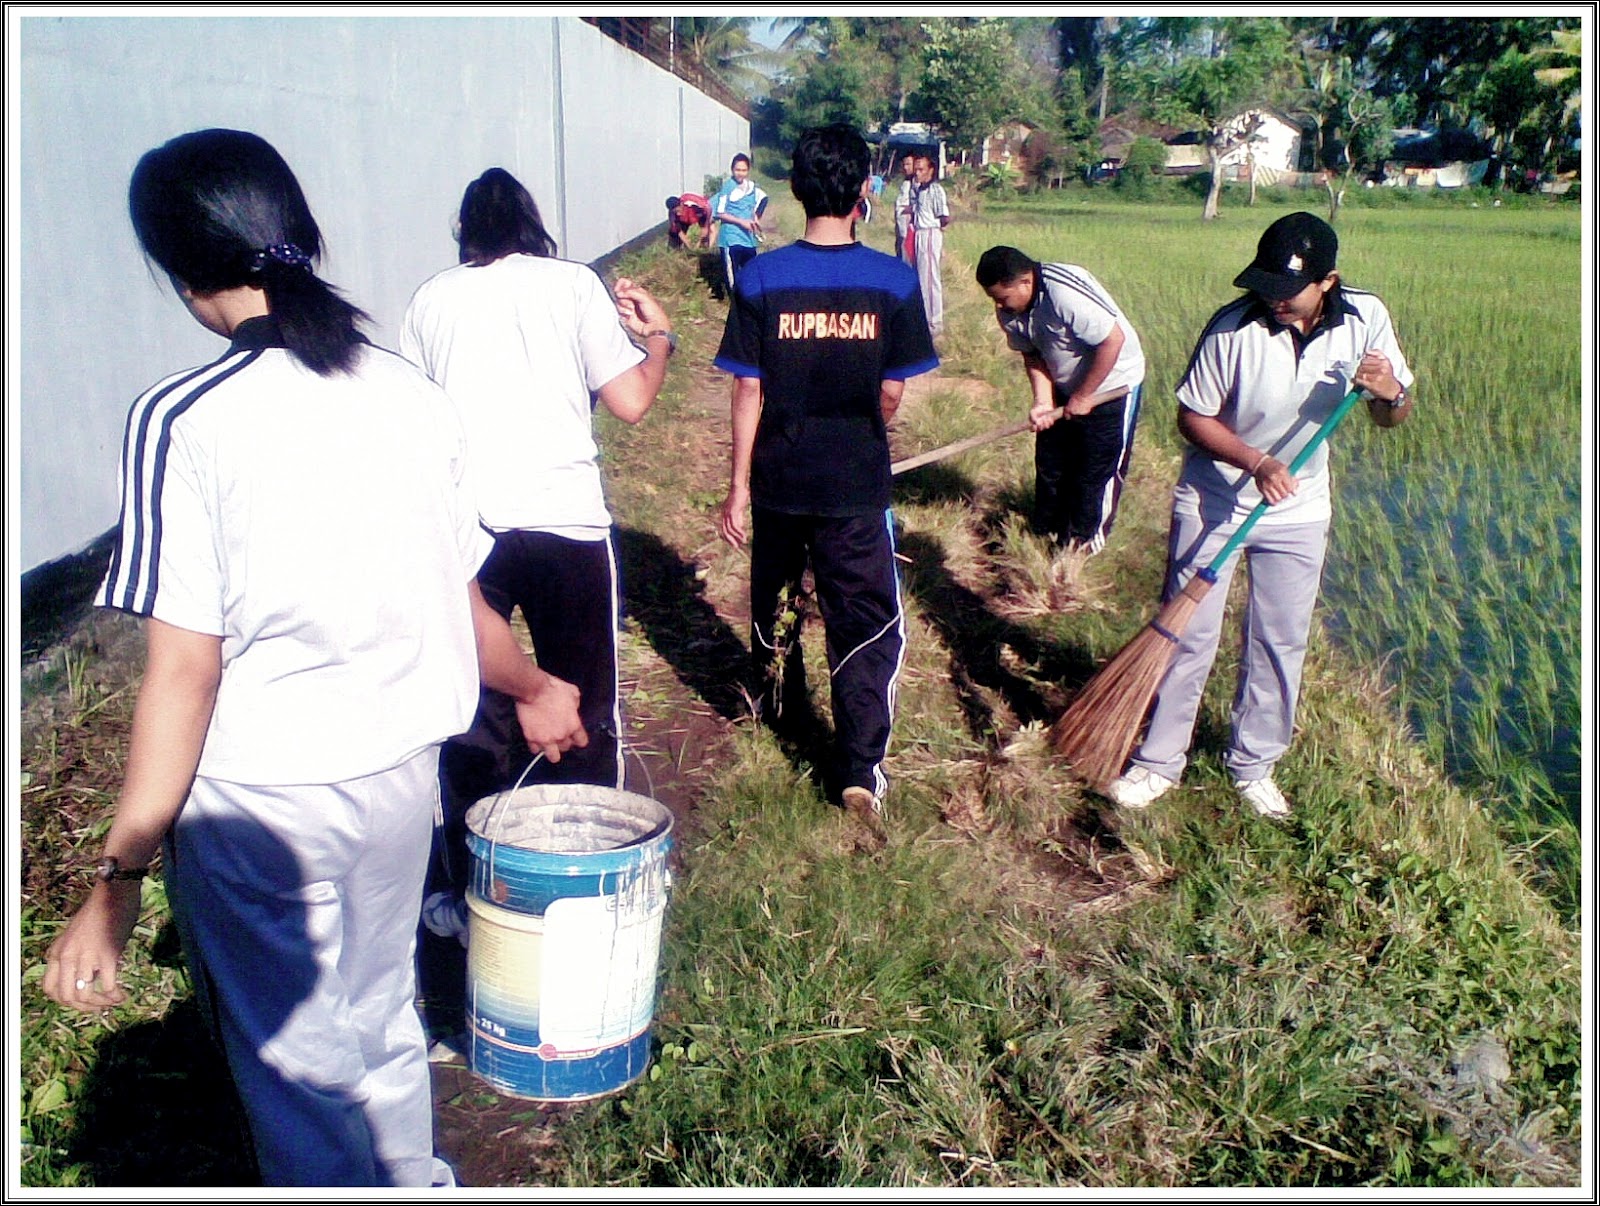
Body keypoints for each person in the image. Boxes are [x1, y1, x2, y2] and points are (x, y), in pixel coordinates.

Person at [41, 129, 586, 1188]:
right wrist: (530, 685)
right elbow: (459, 596)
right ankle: (409, 1175)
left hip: (262, 805)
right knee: (380, 1012)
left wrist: (116, 880)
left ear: (178, 271)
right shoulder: (407, 393)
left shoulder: (184, 419)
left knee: (295, 1062)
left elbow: (184, 672)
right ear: (299, 233)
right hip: (399, 783)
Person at [400, 167, 674, 910]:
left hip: (472, 531)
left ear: (464, 233)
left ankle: (469, 888)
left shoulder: (431, 299)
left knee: (471, 710)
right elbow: (631, 404)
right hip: (567, 524)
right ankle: (590, 880)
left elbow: (419, 424)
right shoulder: (573, 285)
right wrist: (660, 340)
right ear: (534, 225)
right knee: (586, 705)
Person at [1104, 211, 1414, 818]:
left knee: (1280, 640)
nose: (1271, 298)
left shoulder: (1366, 320)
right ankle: (1159, 762)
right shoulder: (1232, 327)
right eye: (1263, 284)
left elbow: (1393, 415)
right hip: (1216, 499)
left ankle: (1253, 764)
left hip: (1300, 509)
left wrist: (1390, 394)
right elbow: (1191, 418)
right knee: (1187, 632)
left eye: (1286, 288)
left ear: (1328, 282)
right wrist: (1256, 462)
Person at [714, 124, 938, 844]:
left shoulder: (759, 279)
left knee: (775, 601)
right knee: (864, 620)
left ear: (799, 188)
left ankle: (772, 708)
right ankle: (857, 766)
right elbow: (893, 396)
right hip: (854, 487)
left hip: (779, 479)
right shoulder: (895, 284)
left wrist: (737, 489)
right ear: (863, 192)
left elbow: (747, 393)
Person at [975, 245, 1146, 555]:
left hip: (1112, 384)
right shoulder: (1009, 311)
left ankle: (1082, 545)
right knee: (1052, 465)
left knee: (1094, 470)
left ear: (1025, 282)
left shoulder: (1063, 294)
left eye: (1003, 297)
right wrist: (1043, 400)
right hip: (1065, 387)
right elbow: (1033, 354)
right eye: (994, 298)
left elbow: (1112, 341)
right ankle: (1047, 533)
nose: (998, 305)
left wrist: (1084, 396)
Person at [904, 152, 951, 337]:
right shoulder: (918, 189)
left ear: (931, 170)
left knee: (930, 279)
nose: (917, 173)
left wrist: (937, 230)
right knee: (920, 278)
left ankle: (934, 323)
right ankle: (923, 317)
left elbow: (944, 216)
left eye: (921, 169)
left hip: (930, 232)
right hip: (918, 233)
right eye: (916, 169)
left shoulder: (935, 190)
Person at [710, 152, 769, 296]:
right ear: (732, 170)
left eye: (743, 170)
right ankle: (734, 303)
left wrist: (755, 218)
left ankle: (750, 300)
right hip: (731, 237)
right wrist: (741, 222)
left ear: (748, 171)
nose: (740, 173)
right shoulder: (728, 187)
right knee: (733, 275)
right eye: (737, 170)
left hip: (748, 238)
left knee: (751, 271)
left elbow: (763, 199)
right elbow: (720, 212)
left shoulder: (751, 187)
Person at [893, 151, 916, 261]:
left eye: (908, 164)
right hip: (900, 226)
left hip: (909, 227)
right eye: (904, 164)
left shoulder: (917, 184)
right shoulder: (906, 183)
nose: (905, 167)